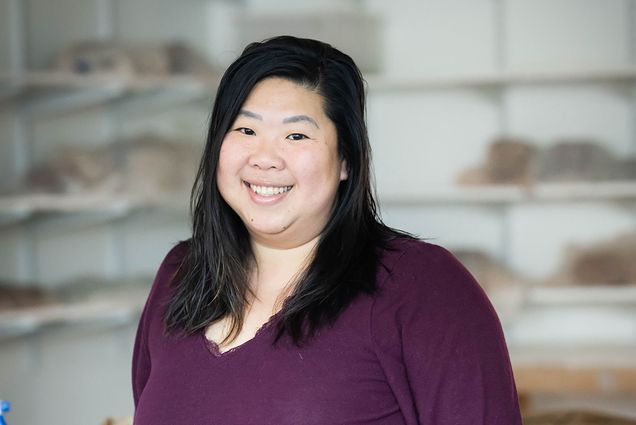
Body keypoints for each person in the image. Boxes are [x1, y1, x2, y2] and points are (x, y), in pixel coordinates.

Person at [132, 35, 522, 425]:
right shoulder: (180, 274)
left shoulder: (423, 287)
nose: (265, 158)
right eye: (245, 130)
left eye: (296, 135)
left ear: (345, 162)